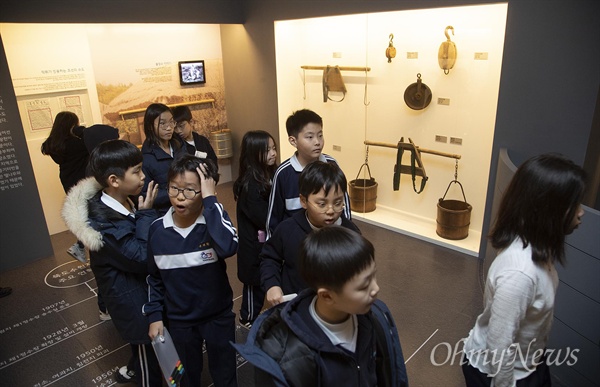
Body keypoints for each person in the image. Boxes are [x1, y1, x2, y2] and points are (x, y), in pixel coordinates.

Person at [462, 153, 586, 387]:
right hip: (499, 372)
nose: (581, 213)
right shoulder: (519, 274)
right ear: (549, 209)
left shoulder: (537, 247)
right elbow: (499, 347)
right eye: (574, 204)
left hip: (528, 361)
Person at [233, 226, 409, 387]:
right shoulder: (284, 359)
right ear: (326, 295)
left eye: (374, 277)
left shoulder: (378, 315)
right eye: (364, 286)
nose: (376, 289)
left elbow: (391, 371)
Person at [61, 139, 162, 386]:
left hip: (141, 293)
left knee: (147, 351)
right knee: (149, 360)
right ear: (114, 181)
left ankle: (131, 369)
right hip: (133, 301)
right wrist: (147, 214)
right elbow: (139, 257)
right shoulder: (103, 224)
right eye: (136, 171)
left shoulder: (124, 198)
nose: (143, 176)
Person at [144, 155, 239, 387]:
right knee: (185, 377)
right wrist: (155, 316)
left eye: (189, 190)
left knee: (225, 373)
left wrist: (210, 200)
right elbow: (153, 278)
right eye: (174, 188)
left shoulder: (214, 220)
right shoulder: (158, 230)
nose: (179, 197)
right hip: (180, 320)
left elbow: (228, 246)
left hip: (218, 316)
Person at [261, 161, 360, 307]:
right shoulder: (288, 229)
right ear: (303, 201)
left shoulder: (350, 233)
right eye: (322, 204)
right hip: (296, 306)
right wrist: (272, 285)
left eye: (338, 202)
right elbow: (269, 257)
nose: (331, 210)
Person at [265, 109, 351, 238]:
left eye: (320, 135)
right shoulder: (283, 173)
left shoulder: (331, 164)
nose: (317, 142)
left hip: (329, 239)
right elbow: (274, 216)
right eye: (310, 137)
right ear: (293, 141)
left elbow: (344, 205)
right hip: (296, 241)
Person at [233, 130, 278, 327]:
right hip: (254, 248)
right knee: (254, 288)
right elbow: (264, 218)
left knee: (265, 281)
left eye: (274, 148)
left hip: (265, 244)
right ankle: (246, 321)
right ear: (254, 154)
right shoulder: (251, 185)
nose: (273, 153)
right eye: (267, 150)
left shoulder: (271, 174)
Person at [41, 111, 89, 263]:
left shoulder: (54, 145)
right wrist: (82, 131)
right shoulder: (76, 143)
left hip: (68, 180)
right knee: (90, 214)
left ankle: (80, 246)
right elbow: (93, 139)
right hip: (82, 181)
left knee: (83, 214)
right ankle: (82, 246)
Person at [141, 103, 188, 216]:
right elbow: (146, 194)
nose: (169, 128)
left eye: (171, 122)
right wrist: (178, 192)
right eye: (162, 123)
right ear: (150, 126)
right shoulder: (146, 158)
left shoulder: (179, 144)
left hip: (188, 204)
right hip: (166, 213)